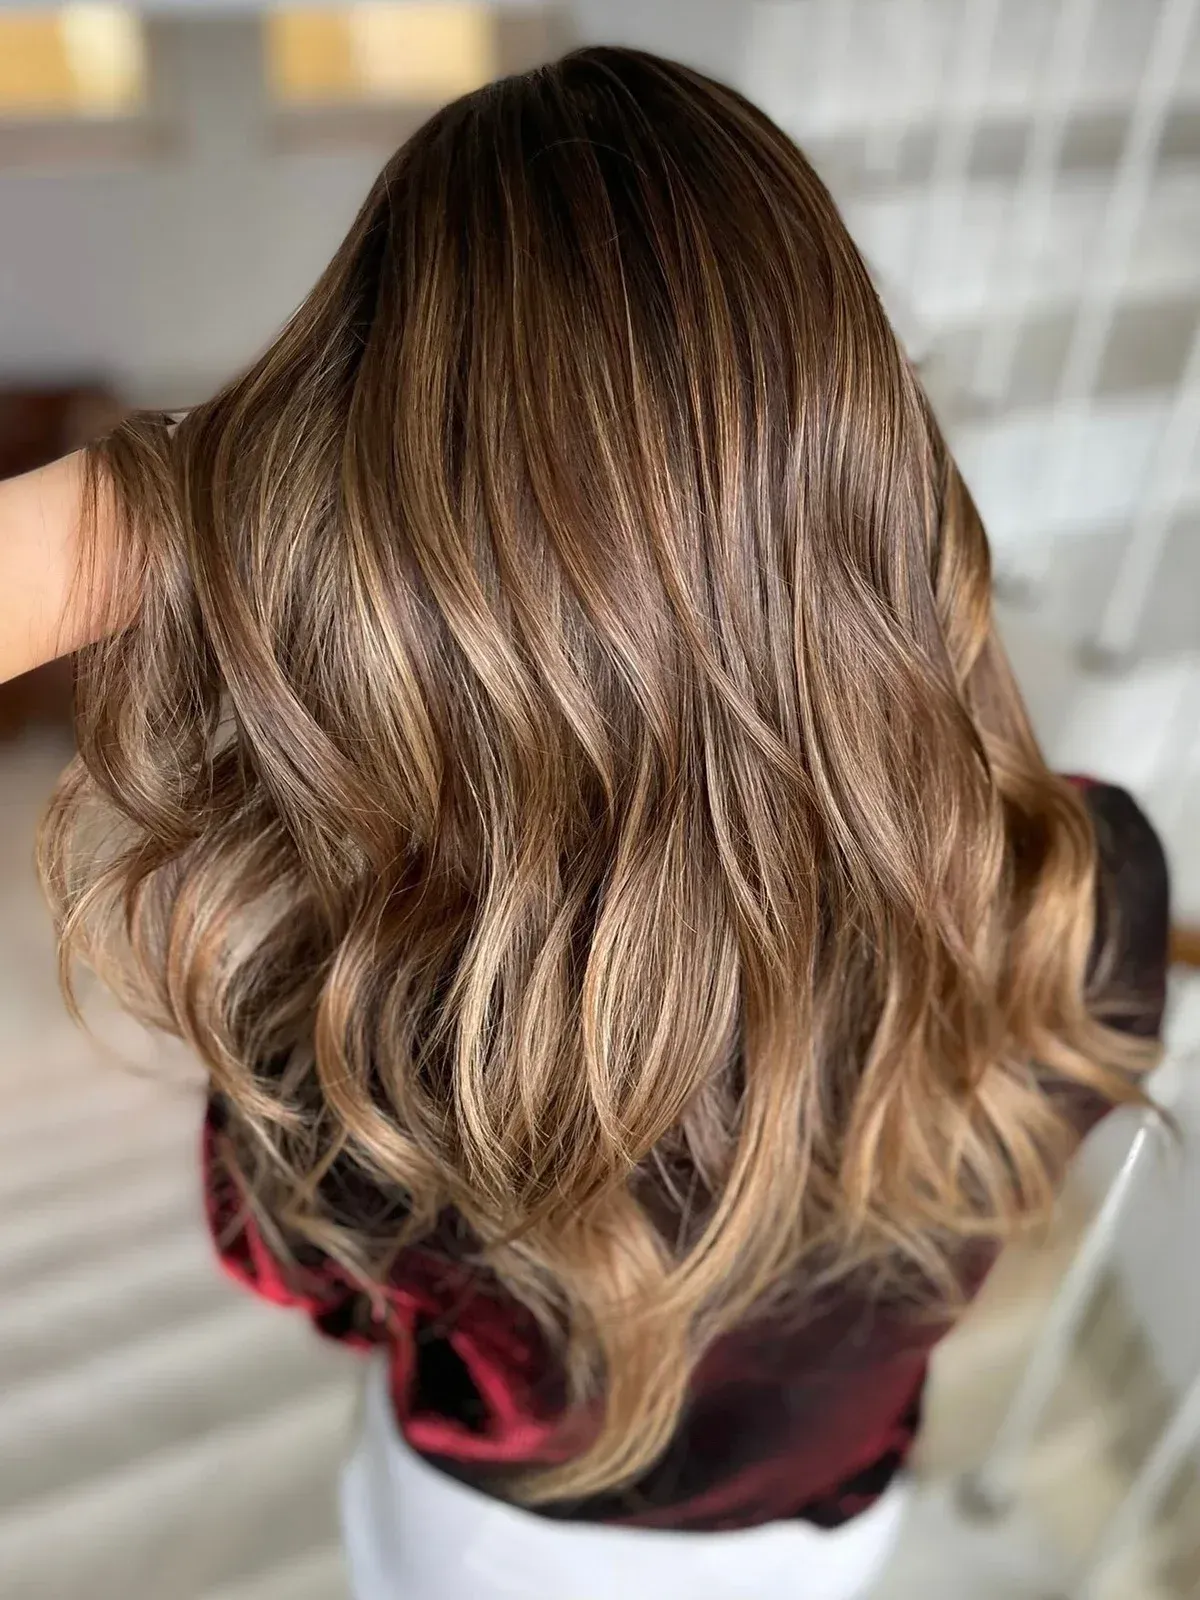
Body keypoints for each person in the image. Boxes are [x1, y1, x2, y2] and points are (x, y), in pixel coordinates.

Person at [0, 45, 1170, 1600]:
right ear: (866, 441)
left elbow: (308, 1276)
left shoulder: (365, 1006)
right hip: (829, 1530)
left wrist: (173, 498)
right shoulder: (1088, 889)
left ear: (374, 506)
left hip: (492, 1542)